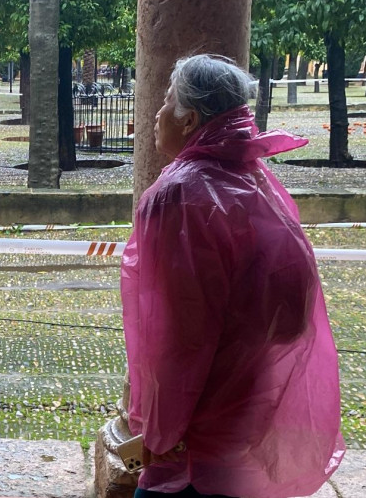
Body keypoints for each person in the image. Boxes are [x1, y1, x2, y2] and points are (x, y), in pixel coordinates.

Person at [121, 54, 344, 498]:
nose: (157, 113)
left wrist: (160, 431)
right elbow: (294, 309)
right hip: (249, 408)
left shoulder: (177, 195)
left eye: (166, 101)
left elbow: (178, 337)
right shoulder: (256, 180)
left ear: (190, 120)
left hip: (196, 428)